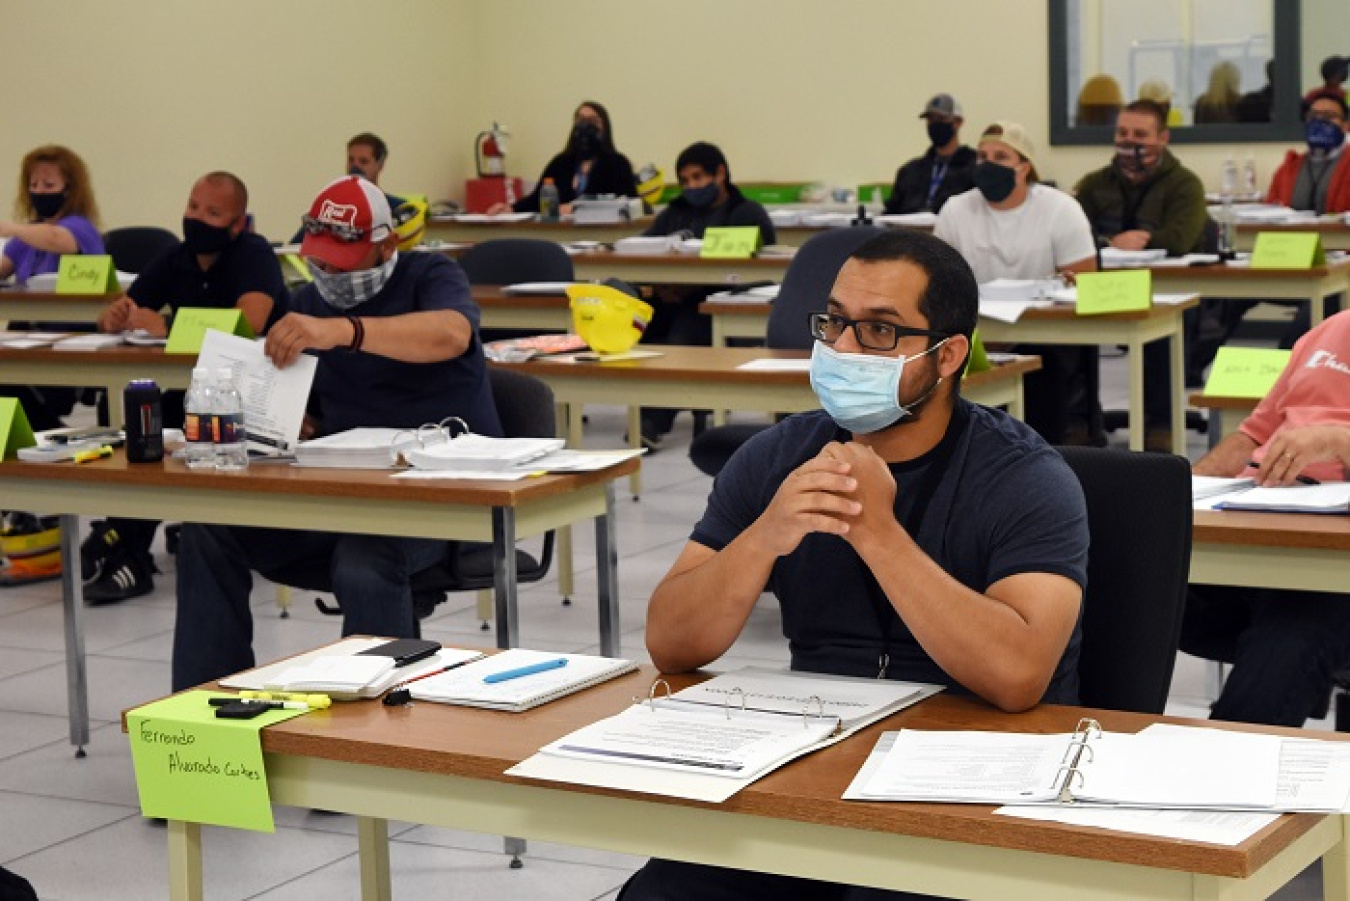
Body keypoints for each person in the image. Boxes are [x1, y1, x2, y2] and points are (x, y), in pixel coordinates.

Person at [620, 229, 1088, 901]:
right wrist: (764, 535)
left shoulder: (1026, 477)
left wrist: (879, 534)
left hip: (978, 774)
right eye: (834, 321)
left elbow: (1018, 675)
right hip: (819, 761)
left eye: (878, 331)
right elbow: (671, 640)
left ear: (948, 354)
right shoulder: (778, 456)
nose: (842, 347)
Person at [171, 175, 502, 692]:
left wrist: (347, 331)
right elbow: (316, 405)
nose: (327, 275)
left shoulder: (430, 274)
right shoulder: (308, 301)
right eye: (318, 262)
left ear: (387, 245)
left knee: (365, 558)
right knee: (208, 529)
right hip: (343, 491)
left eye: (341, 263)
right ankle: (206, 711)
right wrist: (295, 420)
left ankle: (377, 738)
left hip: (441, 496)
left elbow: (451, 334)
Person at [85, 172, 287, 604]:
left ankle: (124, 546)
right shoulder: (175, 257)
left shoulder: (254, 255)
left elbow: (248, 322)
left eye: (212, 213)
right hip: (196, 387)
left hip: (256, 393)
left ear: (237, 225)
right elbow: (125, 310)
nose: (197, 219)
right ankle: (125, 545)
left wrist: (169, 325)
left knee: (167, 424)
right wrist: (116, 316)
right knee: (142, 421)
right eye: (193, 207)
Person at [1184, 309, 1350, 727]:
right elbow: (1254, 435)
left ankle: (1224, 774)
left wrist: (1337, 441)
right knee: (1111, 578)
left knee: (1291, 633)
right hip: (1261, 519)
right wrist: (1181, 489)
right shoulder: (1329, 331)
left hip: (1332, 559)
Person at [934, 121, 1102, 446]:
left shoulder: (1060, 210)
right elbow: (939, 282)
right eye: (982, 156)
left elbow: (1084, 283)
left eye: (1000, 156)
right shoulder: (956, 210)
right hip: (976, 330)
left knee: (1044, 370)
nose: (988, 164)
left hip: (1046, 332)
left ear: (1024, 167)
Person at [1074, 98, 1209, 451]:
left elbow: (1182, 237)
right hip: (1104, 286)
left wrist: (1145, 239)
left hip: (1164, 288)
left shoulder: (1184, 184)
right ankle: (1079, 424)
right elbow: (1074, 235)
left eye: (1140, 134)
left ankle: (1160, 427)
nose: (1129, 141)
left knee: (1162, 331)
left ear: (1162, 138)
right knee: (1064, 335)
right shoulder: (1093, 184)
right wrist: (1111, 242)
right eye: (1122, 132)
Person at [637, 141, 776, 448]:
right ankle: (644, 409)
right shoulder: (675, 213)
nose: (691, 187)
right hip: (670, 301)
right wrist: (662, 285)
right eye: (685, 181)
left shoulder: (746, 213)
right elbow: (645, 249)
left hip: (719, 306)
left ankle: (652, 420)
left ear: (720, 174)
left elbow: (753, 274)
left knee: (684, 332)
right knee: (640, 323)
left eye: (698, 178)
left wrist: (691, 288)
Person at [0, 145, 105, 432]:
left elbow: (56, 239)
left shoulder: (79, 228)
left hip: (71, 337)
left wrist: (13, 228)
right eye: (33, 184)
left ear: (70, 190)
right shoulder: (28, 236)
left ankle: (48, 430)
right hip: (26, 336)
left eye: (48, 185)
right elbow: (4, 266)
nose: (39, 192)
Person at [490, 101, 637, 215]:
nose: (585, 126)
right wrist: (509, 208)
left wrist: (576, 208)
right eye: (581, 120)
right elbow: (536, 200)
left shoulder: (618, 164)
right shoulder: (561, 162)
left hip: (603, 237)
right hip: (562, 236)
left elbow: (630, 204)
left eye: (593, 121)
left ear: (605, 128)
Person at [882, 93, 977, 215]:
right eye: (931, 119)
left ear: (958, 122)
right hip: (910, 232)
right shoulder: (909, 171)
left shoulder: (974, 167)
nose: (935, 124)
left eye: (941, 119)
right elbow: (891, 212)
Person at [1266, 91, 1350, 214]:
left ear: (1345, 126)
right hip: (1293, 233)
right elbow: (1269, 212)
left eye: (1328, 116)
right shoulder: (1288, 169)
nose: (1319, 121)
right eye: (1313, 116)